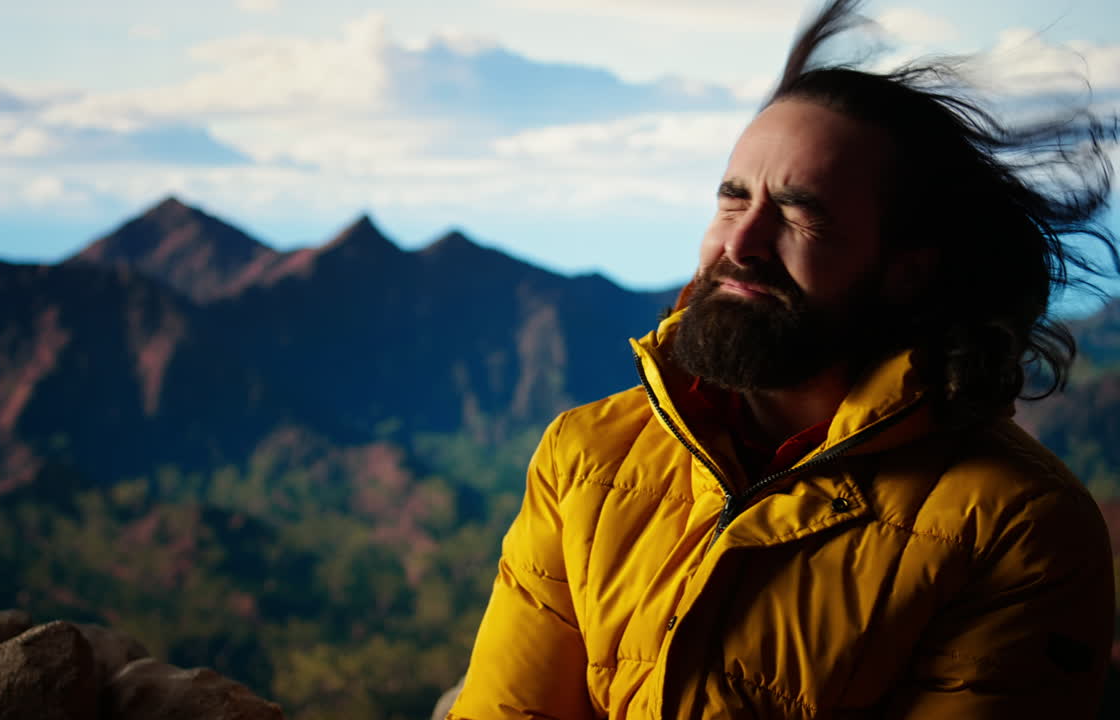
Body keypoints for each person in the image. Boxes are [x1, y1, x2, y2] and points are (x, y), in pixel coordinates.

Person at [447, 0, 1119, 717]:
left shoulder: (1016, 531)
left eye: (800, 215)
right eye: (733, 201)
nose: (742, 243)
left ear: (908, 271)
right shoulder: (585, 455)